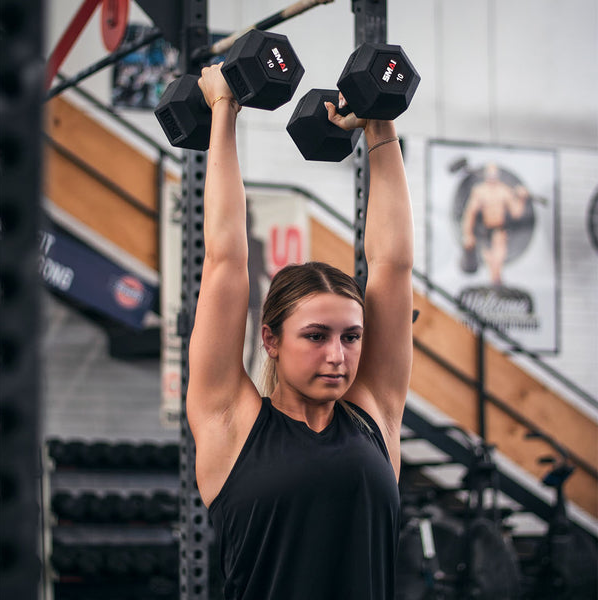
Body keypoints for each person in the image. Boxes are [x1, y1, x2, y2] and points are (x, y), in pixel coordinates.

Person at [186, 62, 414, 600]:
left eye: (351, 336)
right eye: (316, 336)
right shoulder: (229, 423)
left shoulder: (375, 415)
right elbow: (224, 259)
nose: (338, 355)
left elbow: (392, 265)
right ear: (270, 339)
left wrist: (379, 122)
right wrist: (223, 111)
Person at [461, 162, 531, 285]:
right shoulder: (480, 191)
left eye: (494, 175)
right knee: (489, 262)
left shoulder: (504, 191)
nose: (492, 177)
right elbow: (470, 214)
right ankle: (494, 286)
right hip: (485, 231)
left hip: (500, 231)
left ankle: (497, 284)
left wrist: (521, 198)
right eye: (489, 174)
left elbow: (516, 213)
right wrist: (468, 234)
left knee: (497, 264)